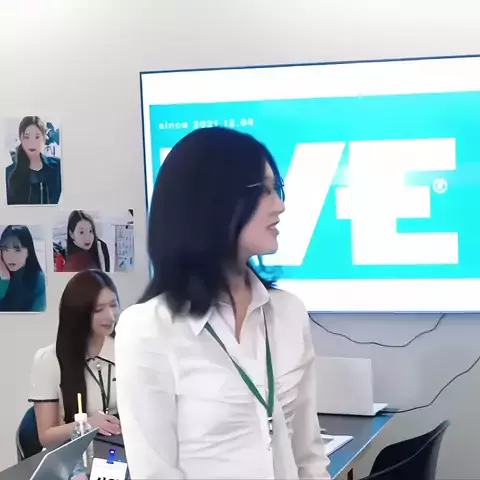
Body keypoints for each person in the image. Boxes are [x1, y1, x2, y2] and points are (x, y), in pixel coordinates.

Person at [115, 127, 330, 479]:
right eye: (263, 190)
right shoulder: (147, 328)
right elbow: (156, 473)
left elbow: (309, 456)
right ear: (212, 201)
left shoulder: (289, 313)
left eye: (277, 189)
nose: (280, 205)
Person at [28, 269, 121, 448]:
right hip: (72, 453)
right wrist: (88, 424)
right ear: (78, 312)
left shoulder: (125, 350)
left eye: (113, 305)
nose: (110, 316)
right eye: (99, 309)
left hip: (117, 449)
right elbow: (46, 436)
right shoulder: (48, 359)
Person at [5, 116, 62, 205]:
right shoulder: (10, 172)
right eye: (27, 137)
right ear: (21, 138)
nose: (32, 143)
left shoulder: (58, 166)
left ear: (44, 138)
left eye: (37, 137)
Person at [0, 225, 46, 312]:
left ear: (29, 251)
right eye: (5, 249)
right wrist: (4, 280)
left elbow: (39, 317)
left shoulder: (38, 280)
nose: (10, 257)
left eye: (17, 250)